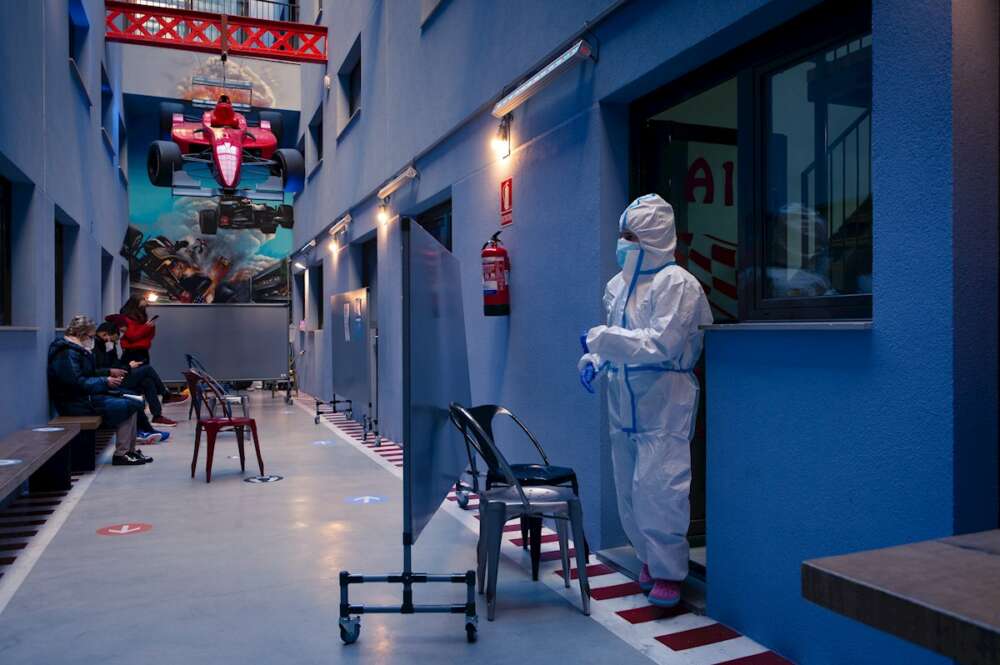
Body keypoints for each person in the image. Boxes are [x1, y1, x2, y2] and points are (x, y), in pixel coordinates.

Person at [578, 194, 712, 608]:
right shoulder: (617, 285)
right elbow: (620, 339)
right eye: (622, 234)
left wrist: (601, 340)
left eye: (630, 235)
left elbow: (661, 344)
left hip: (664, 403)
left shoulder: (679, 285)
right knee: (630, 491)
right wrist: (596, 359)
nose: (622, 243)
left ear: (652, 238)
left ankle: (671, 570)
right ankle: (648, 558)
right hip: (623, 404)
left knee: (661, 488)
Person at [48, 315, 154, 466]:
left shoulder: (77, 350)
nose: (92, 339)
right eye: (91, 336)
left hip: (85, 397)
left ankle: (129, 451)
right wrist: (105, 381)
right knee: (127, 406)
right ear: (82, 333)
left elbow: (88, 374)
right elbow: (75, 382)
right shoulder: (66, 353)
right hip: (76, 402)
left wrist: (109, 372)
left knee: (134, 401)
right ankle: (121, 454)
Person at [94, 322, 179, 436]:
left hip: (118, 375)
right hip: (111, 380)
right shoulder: (95, 348)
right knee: (147, 369)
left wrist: (127, 365)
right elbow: (104, 368)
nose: (114, 343)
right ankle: (165, 394)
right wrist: (128, 367)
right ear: (105, 335)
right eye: (113, 340)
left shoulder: (108, 346)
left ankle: (156, 416)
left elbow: (115, 364)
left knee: (147, 382)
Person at [115, 295, 156, 365]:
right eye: (142, 307)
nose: (144, 309)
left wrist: (151, 327)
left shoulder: (141, 318)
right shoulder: (127, 318)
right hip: (132, 352)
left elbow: (149, 337)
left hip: (142, 350)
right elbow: (132, 336)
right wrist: (146, 326)